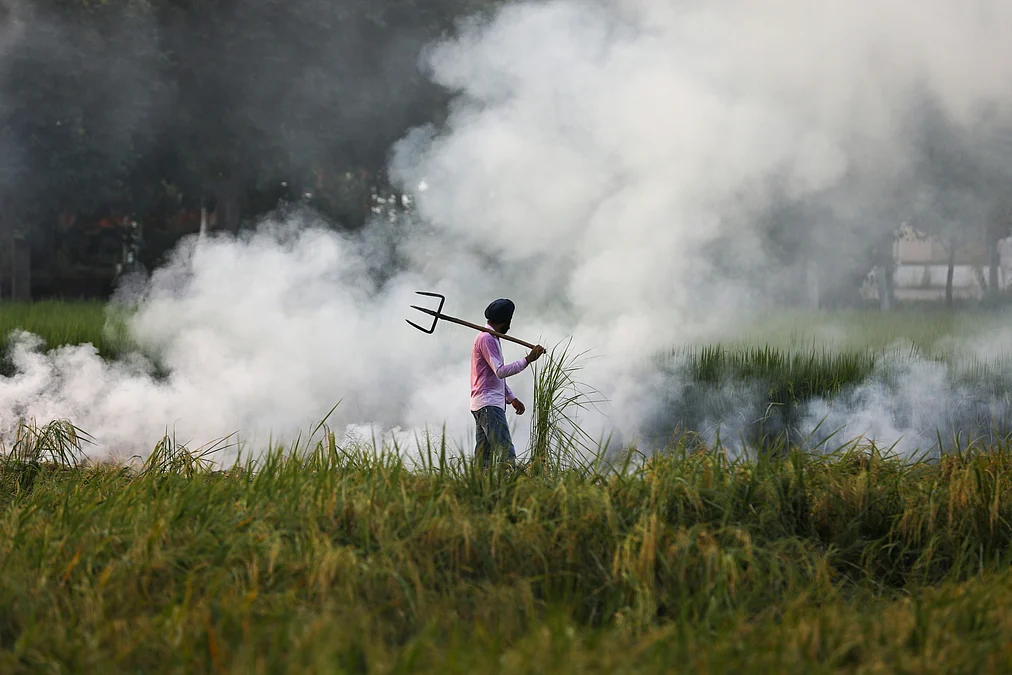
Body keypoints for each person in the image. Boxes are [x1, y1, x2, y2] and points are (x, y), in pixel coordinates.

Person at [471, 298, 546, 468]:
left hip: (483, 403)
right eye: (509, 321)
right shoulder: (486, 338)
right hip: (488, 404)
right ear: (504, 321)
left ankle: (479, 482)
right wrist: (528, 359)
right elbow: (500, 371)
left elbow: (492, 376)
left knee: (484, 458)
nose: (509, 326)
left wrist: (511, 398)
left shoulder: (491, 337)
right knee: (506, 452)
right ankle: (509, 481)